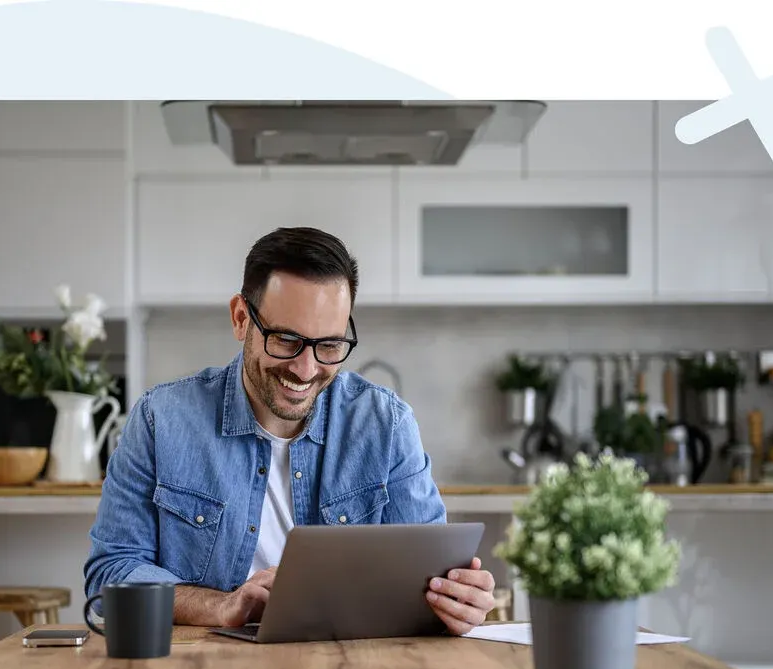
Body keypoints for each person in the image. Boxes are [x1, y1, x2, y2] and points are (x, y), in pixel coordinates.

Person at [83, 226, 496, 633]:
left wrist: (458, 601)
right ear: (241, 318)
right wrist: (221, 606)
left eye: (330, 345)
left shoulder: (386, 425)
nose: (306, 369)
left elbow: (429, 577)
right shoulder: (161, 420)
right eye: (285, 340)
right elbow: (109, 575)